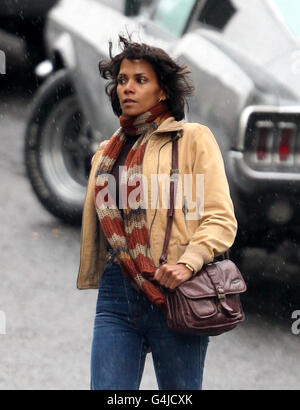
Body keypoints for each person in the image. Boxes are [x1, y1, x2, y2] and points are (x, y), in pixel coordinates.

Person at [76, 35, 237, 390]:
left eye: (140, 80)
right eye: (122, 80)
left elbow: (220, 217)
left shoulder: (193, 139)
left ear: (162, 91)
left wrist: (187, 263)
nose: (127, 88)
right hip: (118, 291)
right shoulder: (106, 152)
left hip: (175, 288)